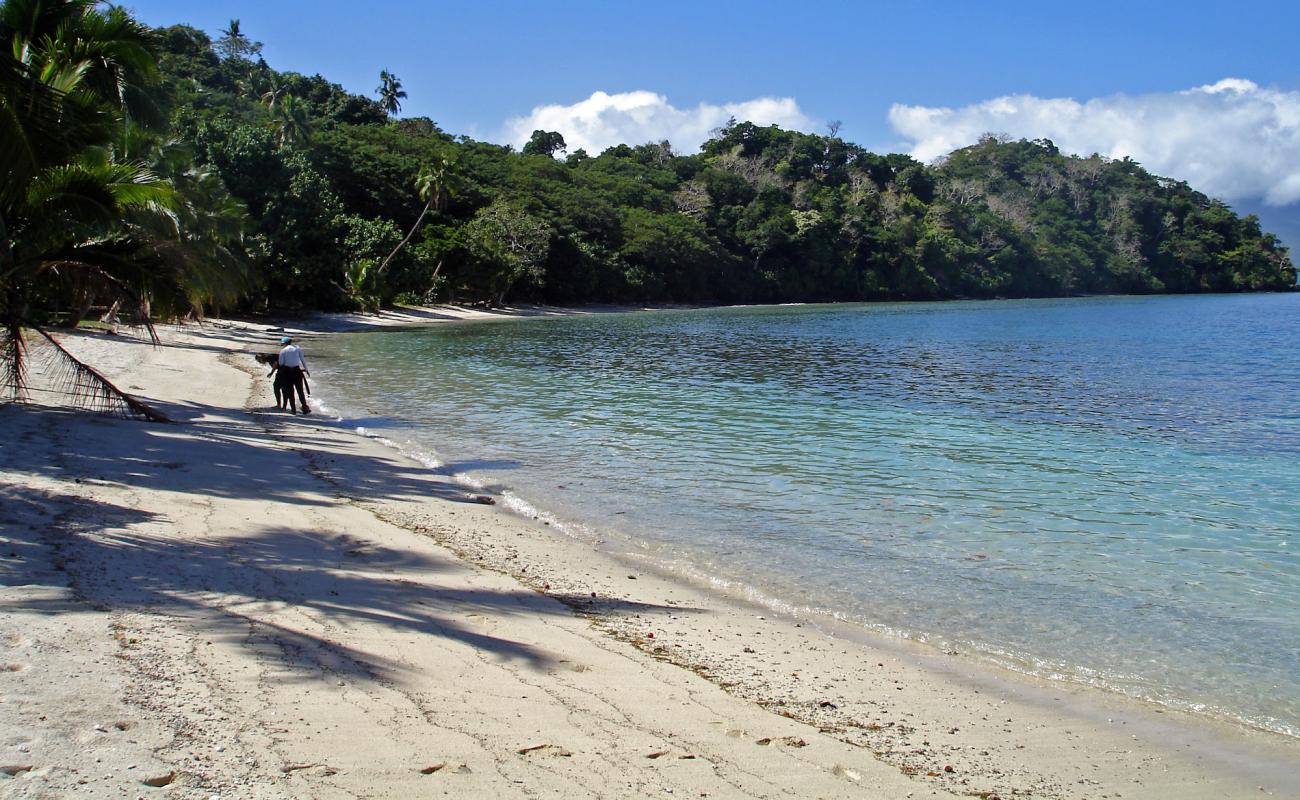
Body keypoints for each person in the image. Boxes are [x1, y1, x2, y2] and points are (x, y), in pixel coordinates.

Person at [277, 335, 311, 414]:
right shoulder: (297, 349)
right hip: (297, 371)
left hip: (287, 372)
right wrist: (306, 370)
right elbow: (303, 360)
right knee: (300, 391)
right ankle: (305, 408)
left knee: (290, 391)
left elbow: (281, 363)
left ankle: (293, 410)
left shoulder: (283, 351)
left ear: (284, 343)